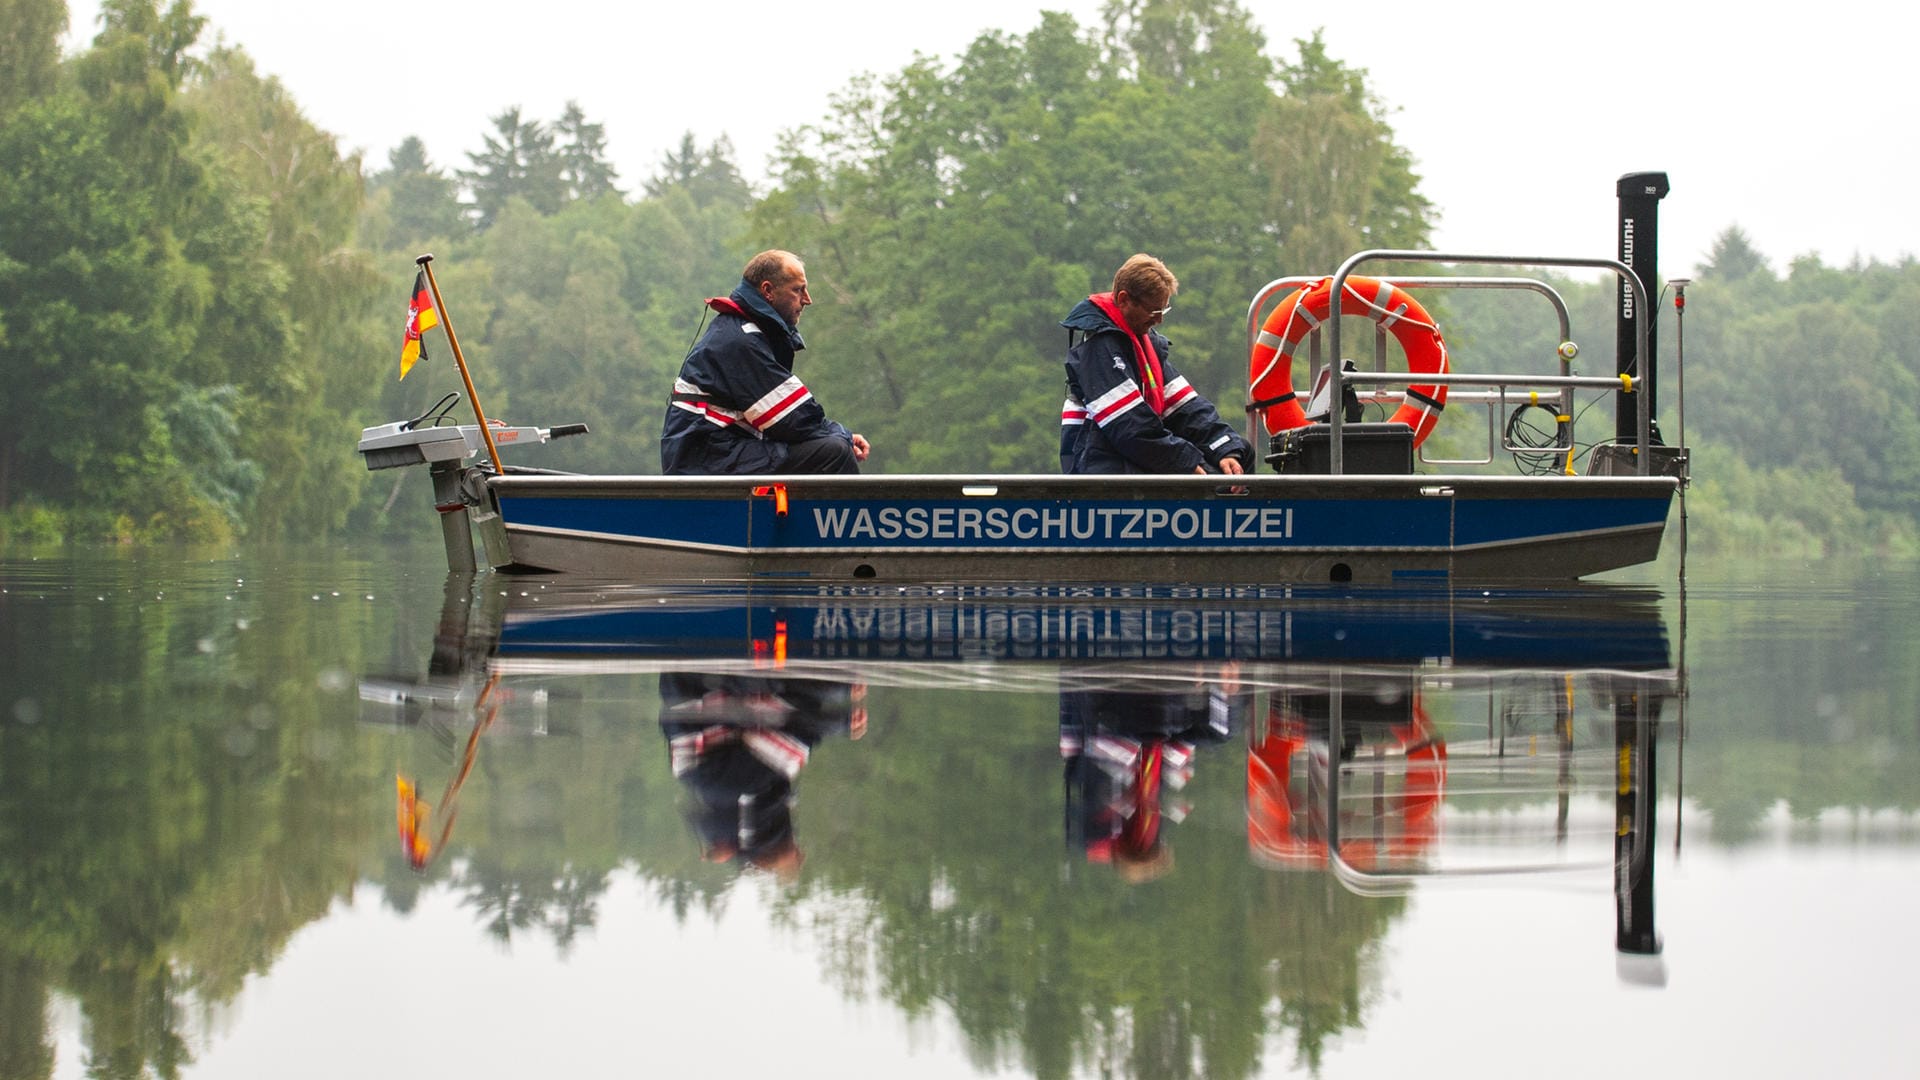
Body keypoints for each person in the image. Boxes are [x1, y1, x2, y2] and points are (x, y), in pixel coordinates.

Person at [661, 250, 871, 474]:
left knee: (828, 446)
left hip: (716, 454)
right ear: (768, 291)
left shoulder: (742, 331)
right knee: (834, 452)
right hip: (704, 462)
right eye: (798, 290)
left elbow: (790, 423)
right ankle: (857, 510)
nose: (807, 300)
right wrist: (843, 436)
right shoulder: (740, 341)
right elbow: (795, 420)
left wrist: (841, 435)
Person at [1058, 254, 1252, 475]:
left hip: (1130, 454)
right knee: (1213, 482)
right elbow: (1130, 429)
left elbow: (1186, 408)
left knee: (1241, 455)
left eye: (1164, 310)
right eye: (1154, 311)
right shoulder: (1098, 347)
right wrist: (1185, 462)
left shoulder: (1144, 342)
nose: (1159, 320)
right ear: (1123, 300)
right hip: (1101, 464)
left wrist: (1225, 448)